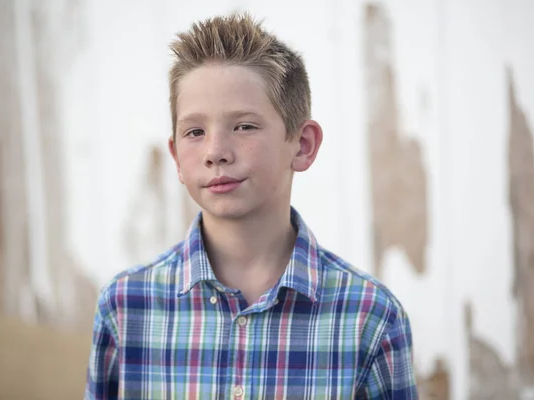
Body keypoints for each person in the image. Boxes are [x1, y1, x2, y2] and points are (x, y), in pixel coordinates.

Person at [85, 12, 417, 399]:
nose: (216, 152)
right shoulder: (125, 308)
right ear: (176, 157)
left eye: (243, 126)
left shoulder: (370, 318)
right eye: (195, 132)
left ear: (303, 145)